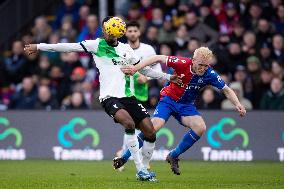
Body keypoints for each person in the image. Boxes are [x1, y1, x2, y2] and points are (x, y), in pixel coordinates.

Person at [24, 16, 178, 181]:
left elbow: (145, 70)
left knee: (150, 132)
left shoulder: (126, 49)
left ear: (117, 32)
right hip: (109, 97)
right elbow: (68, 47)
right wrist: (39, 46)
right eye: (105, 29)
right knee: (129, 123)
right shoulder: (96, 45)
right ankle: (140, 169)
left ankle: (145, 166)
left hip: (129, 97)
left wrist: (168, 77)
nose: (107, 33)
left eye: (110, 30)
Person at [117, 47, 247, 175]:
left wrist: (238, 104)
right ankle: (124, 157)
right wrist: (135, 68)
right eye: (201, 65)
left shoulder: (209, 74)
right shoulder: (182, 63)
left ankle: (173, 155)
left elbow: (226, 89)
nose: (203, 68)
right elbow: (158, 58)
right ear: (193, 60)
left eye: (206, 66)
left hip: (186, 106)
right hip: (168, 101)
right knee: (152, 128)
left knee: (200, 127)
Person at [116, 21, 162, 171]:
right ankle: (125, 157)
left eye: (135, 30)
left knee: (138, 128)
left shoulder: (148, 49)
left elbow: (158, 68)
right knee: (130, 125)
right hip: (126, 93)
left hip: (143, 94)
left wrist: (147, 78)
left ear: (139, 33)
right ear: (125, 33)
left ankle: (123, 155)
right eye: (129, 31)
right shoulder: (121, 49)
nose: (132, 33)